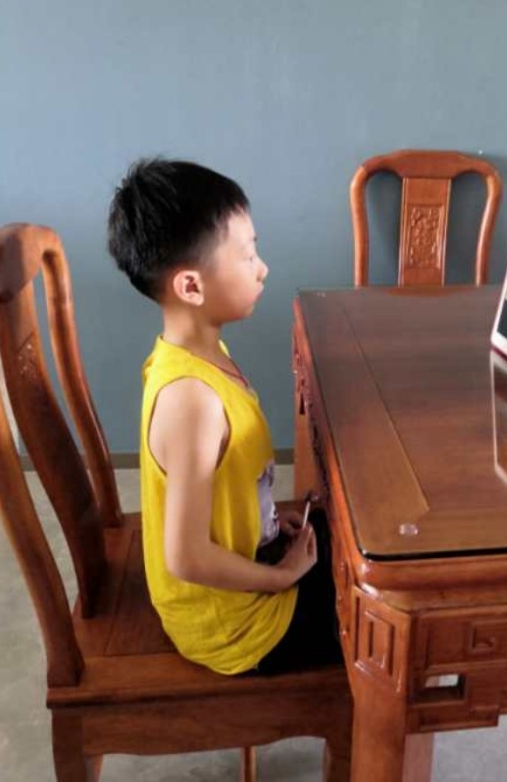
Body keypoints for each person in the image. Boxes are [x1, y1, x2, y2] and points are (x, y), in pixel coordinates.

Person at [107, 158, 341, 675]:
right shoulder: (192, 400)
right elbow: (186, 556)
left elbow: (225, 479)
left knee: (354, 540)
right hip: (234, 622)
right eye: (248, 255)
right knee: (389, 611)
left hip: (253, 556)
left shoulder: (199, 352)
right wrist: (282, 576)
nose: (262, 268)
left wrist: (266, 521)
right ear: (191, 287)